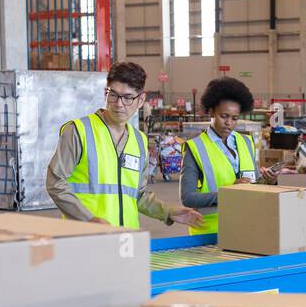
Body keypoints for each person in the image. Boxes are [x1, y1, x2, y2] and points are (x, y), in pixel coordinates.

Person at [46, 61, 203, 228]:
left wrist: (167, 211)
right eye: (113, 95)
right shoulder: (79, 131)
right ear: (105, 93)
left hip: (126, 241)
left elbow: (138, 195)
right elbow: (55, 183)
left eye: (128, 98)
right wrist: (88, 219)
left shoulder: (139, 141)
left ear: (141, 100)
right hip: (86, 237)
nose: (119, 104)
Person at [181, 77, 274, 236]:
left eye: (234, 118)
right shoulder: (195, 148)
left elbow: (256, 184)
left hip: (246, 227)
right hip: (209, 233)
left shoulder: (245, 142)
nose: (229, 123)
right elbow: (188, 198)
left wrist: (269, 180)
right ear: (211, 112)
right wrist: (228, 192)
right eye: (223, 116)